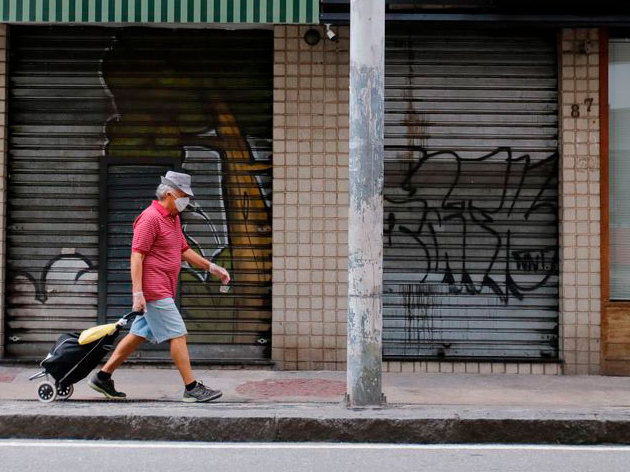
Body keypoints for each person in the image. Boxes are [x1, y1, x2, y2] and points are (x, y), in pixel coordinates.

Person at [88, 171, 230, 402]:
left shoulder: (172, 218)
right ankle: (191, 388)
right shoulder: (150, 217)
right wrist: (138, 293)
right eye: (184, 195)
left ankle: (102, 377)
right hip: (154, 290)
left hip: (164, 287)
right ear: (170, 194)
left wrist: (213, 268)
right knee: (179, 334)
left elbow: (184, 251)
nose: (187, 201)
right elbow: (136, 256)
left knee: (138, 334)